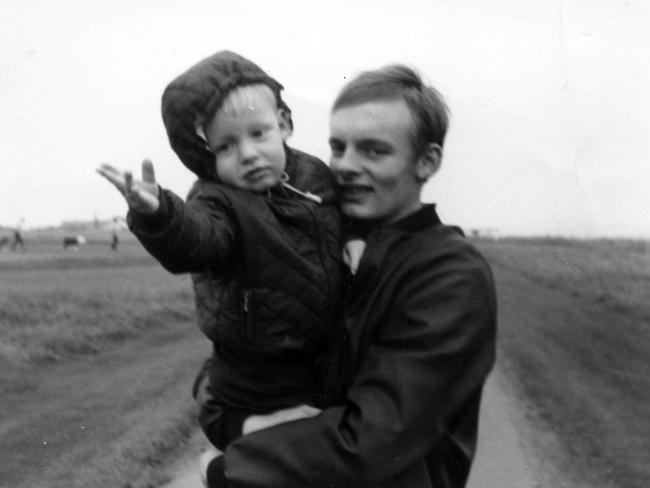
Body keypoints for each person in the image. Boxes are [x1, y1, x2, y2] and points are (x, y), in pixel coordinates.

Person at [218, 64, 498, 488]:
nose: (345, 165)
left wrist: (225, 466)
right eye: (338, 147)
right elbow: (237, 356)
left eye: (373, 150)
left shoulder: (451, 274)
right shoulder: (319, 246)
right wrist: (238, 417)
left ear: (427, 162)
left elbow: (374, 439)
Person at [97, 51, 348, 485]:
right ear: (205, 154)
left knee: (327, 459)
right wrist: (160, 216)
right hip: (254, 374)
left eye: (258, 133)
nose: (248, 154)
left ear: (284, 124)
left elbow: (350, 222)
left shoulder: (316, 176)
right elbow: (197, 240)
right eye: (226, 146)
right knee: (284, 461)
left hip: (322, 360)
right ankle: (227, 465)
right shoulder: (218, 199)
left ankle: (233, 460)